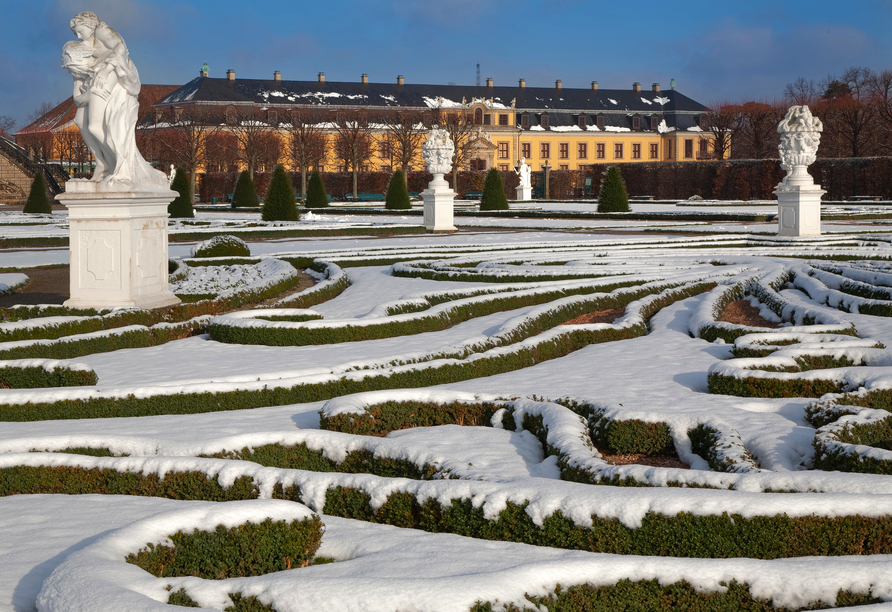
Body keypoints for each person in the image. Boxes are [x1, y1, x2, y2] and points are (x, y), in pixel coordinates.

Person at [63, 12, 166, 189]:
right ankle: (103, 165)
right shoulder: (81, 61)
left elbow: (121, 48)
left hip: (115, 71)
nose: (79, 37)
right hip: (97, 78)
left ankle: (121, 164)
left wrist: (105, 69)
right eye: (76, 34)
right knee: (80, 120)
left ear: (89, 26)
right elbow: (77, 98)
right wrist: (88, 93)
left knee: (96, 126)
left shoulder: (101, 31)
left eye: (80, 31)